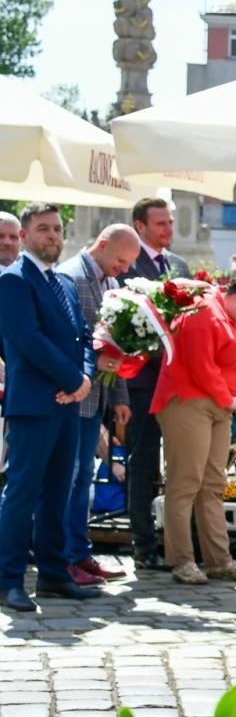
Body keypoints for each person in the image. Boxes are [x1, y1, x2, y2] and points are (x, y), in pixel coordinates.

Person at [0, 202, 102, 612]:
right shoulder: (13, 280)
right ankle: (8, 580)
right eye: (43, 229)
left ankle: (54, 574)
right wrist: (72, 379)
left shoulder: (60, 282)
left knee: (59, 491)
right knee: (22, 493)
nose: (53, 236)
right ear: (24, 236)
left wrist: (85, 379)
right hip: (33, 405)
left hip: (67, 404)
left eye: (58, 229)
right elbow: (28, 339)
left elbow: (84, 337)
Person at [152, 270, 236, 585]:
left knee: (213, 484)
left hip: (219, 404)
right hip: (188, 402)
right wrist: (230, 399)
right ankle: (183, 561)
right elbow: (200, 366)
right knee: (185, 483)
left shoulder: (233, 318)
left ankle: (219, 561)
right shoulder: (204, 313)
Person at [58, 224, 141, 587]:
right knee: (67, 480)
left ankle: (79, 553)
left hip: (97, 400)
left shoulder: (110, 283)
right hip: (71, 397)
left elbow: (114, 346)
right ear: (103, 245)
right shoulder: (70, 277)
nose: (125, 268)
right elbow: (65, 341)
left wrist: (120, 397)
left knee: (81, 481)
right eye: (121, 260)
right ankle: (63, 557)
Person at [119, 196, 191, 573]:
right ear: (140, 225)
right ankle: (143, 544)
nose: (168, 230)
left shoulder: (178, 265)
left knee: (180, 464)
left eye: (170, 223)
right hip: (142, 381)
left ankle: (177, 541)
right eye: (160, 224)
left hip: (178, 381)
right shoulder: (126, 266)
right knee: (143, 462)